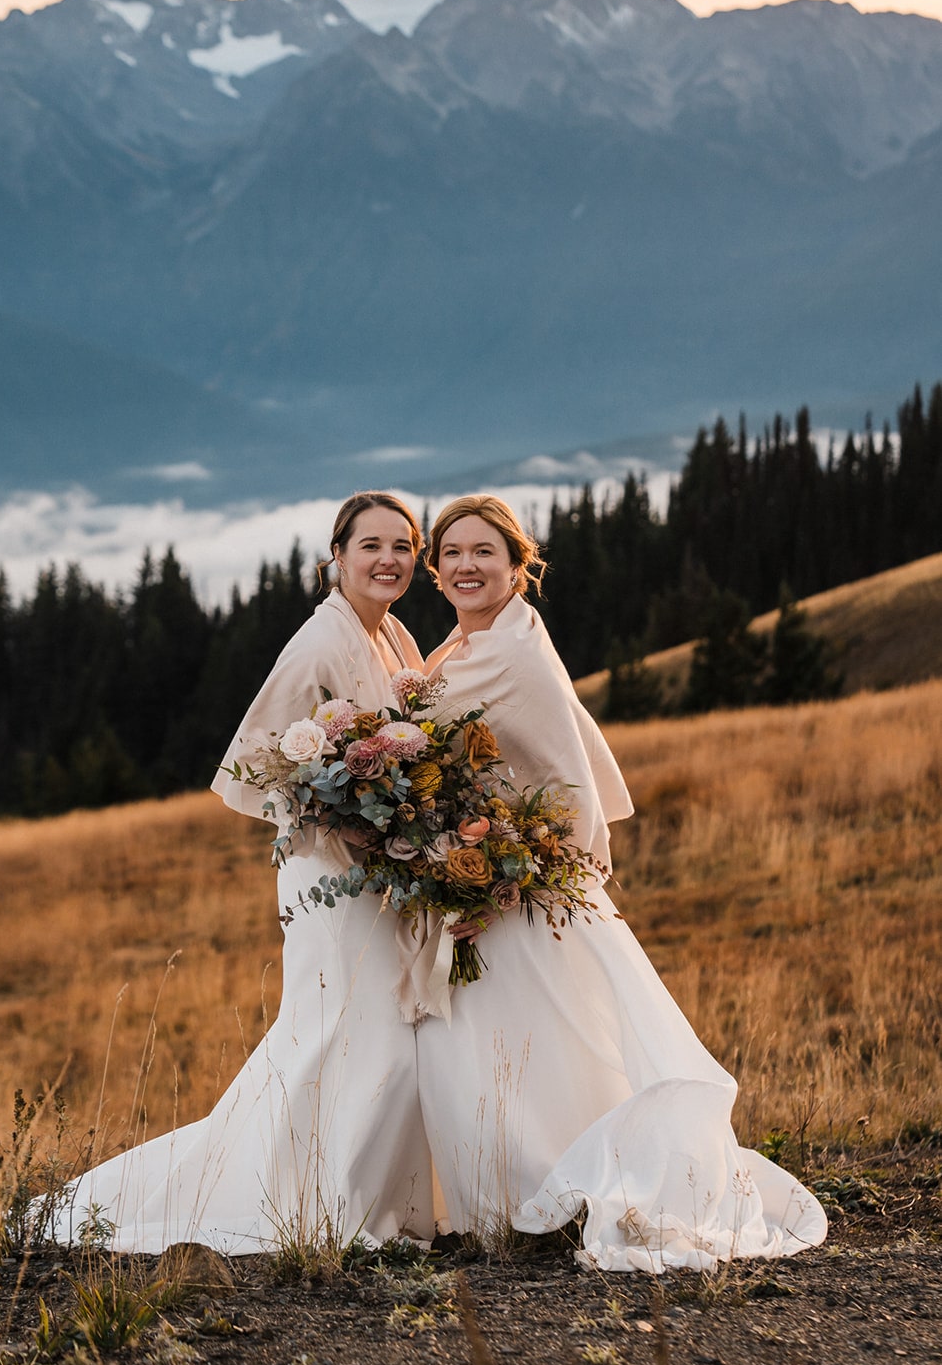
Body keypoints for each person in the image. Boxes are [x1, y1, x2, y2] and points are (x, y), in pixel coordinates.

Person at [412, 494, 827, 1271]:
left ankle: (548, 1198)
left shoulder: (516, 653)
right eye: (453, 554)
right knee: (503, 1043)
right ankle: (510, 1206)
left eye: (484, 554)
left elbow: (565, 781)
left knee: (531, 1041)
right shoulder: (469, 646)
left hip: (520, 888)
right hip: (482, 872)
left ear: (516, 565)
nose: (467, 566)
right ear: (435, 571)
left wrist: (501, 878)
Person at [54, 492, 434, 1253]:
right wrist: (342, 811)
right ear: (338, 556)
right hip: (327, 877)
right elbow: (253, 770)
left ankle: (351, 1200)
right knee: (348, 1033)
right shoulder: (320, 642)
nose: (388, 560)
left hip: (373, 872)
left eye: (403, 546)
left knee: (373, 1034)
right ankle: (321, 1206)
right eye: (371, 546)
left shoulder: (391, 631)